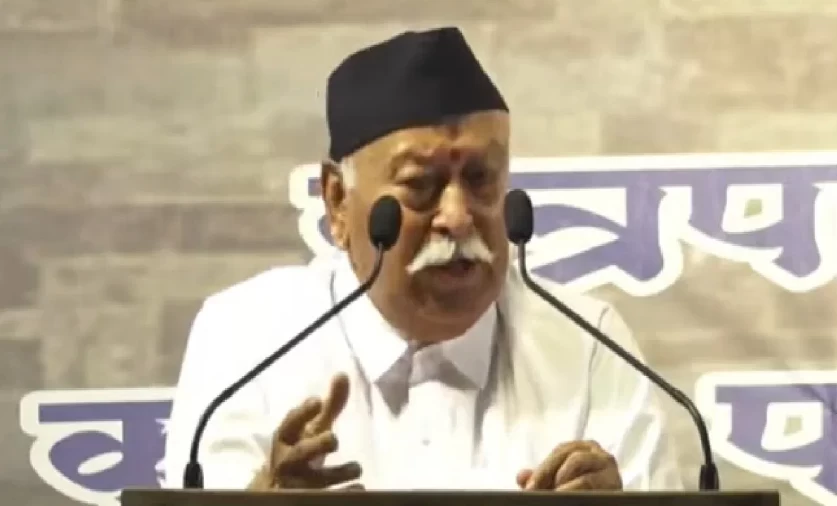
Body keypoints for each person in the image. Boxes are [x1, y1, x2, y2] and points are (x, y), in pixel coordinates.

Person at [163, 26, 683, 492]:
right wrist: (261, 497)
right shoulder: (248, 337)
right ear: (337, 202)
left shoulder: (588, 346)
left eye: (480, 179)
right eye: (420, 185)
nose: (457, 217)